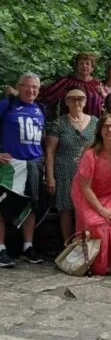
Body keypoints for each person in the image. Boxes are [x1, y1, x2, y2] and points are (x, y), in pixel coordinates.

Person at [70, 114, 111, 275]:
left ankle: (110, 263)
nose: (109, 129)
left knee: (109, 222)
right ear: (99, 131)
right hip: (86, 192)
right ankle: (93, 264)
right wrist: (101, 210)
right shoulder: (90, 154)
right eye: (105, 126)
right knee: (95, 222)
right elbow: (85, 188)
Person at [0, 73, 46, 267]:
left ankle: (28, 247)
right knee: (1, 207)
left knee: (30, 207)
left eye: (35, 87)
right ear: (19, 87)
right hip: (9, 166)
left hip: (33, 165)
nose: (31, 90)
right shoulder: (6, 105)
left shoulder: (40, 109)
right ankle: (1, 249)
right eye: (27, 86)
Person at [45, 88, 98, 241]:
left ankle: (86, 245)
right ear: (66, 102)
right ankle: (67, 245)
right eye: (73, 99)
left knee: (87, 208)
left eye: (81, 98)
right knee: (66, 209)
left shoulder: (95, 122)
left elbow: (100, 149)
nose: (77, 102)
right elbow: (49, 152)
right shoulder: (59, 123)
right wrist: (50, 177)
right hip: (64, 172)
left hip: (88, 174)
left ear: (86, 101)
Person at [38, 52, 105, 118]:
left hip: (93, 125)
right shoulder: (67, 82)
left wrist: (103, 94)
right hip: (69, 123)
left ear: (92, 68)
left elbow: (107, 104)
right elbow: (47, 93)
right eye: (81, 63)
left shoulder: (98, 85)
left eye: (87, 64)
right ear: (77, 67)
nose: (84, 66)